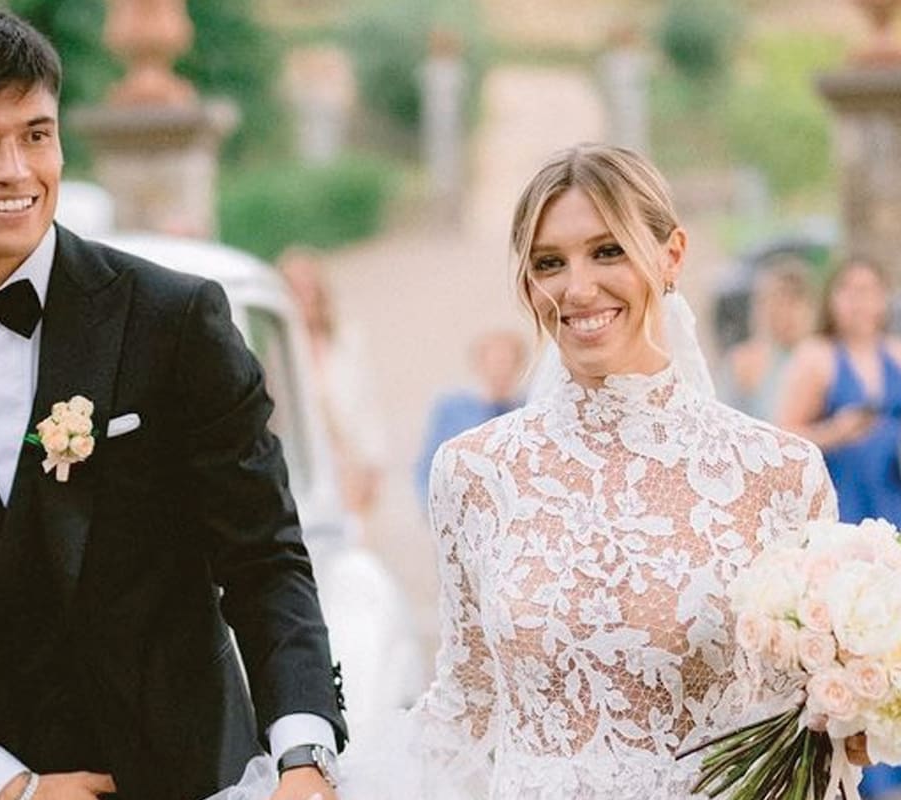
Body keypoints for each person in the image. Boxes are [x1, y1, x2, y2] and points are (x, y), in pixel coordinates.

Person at [0, 8, 346, 800]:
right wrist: (3, 784)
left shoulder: (175, 319)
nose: (15, 170)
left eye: (36, 133)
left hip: (190, 780)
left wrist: (304, 754)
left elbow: (263, 559)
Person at [210, 145, 844, 800]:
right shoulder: (475, 472)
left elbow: (806, 726)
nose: (576, 287)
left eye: (609, 250)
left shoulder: (779, 472)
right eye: (549, 263)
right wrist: (314, 777)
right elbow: (467, 702)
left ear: (671, 256)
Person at [776, 257, 901, 798]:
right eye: (850, 291)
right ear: (833, 300)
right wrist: (836, 430)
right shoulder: (818, 358)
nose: (861, 302)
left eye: (870, 291)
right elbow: (784, 436)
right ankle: (867, 773)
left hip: (897, 503)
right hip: (847, 509)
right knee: (857, 636)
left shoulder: (900, 355)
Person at [279, 247, 386, 542]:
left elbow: (367, 403)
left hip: (349, 463)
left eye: (310, 287)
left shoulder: (347, 341)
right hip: (307, 469)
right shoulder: (277, 352)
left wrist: (373, 464)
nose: (306, 296)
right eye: (296, 288)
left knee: (356, 544)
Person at [413, 330, 527, 508]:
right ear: (480, 365)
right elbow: (428, 467)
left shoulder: (526, 412)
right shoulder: (452, 409)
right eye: (495, 363)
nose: (501, 371)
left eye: (507, 363)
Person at [719, 257, 814, 420]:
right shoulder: (744, 362)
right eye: (777, 302)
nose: (785, 313)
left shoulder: (824, 358)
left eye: (794, 302)